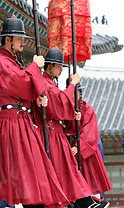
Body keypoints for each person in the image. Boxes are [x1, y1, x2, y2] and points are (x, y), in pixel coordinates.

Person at [0, 17, 70, 208]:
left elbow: (28, 86)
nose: (24, 41)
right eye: (19, 38)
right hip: (10, 123)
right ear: (8, 39)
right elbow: (18, 83)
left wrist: (36, 99)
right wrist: (35, 66)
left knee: (33, 173)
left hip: (22, 122)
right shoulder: (0, 61)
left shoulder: (14, 62)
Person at [33, 48, 109, 208]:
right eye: (59, 67)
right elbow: (60, 103)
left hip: (56, 134)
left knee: (68, 169)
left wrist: (73, 118)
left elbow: (62, 109)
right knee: (64, 170)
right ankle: (82, 202)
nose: (61, 70)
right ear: (50, 66)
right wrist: (73, 83)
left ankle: (84, 201)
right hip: (50, 134)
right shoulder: (44, 82)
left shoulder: (49, 83)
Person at [66, 82, 112, 206]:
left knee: (91, 179)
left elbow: (90, 132)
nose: (74, 95)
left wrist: (78, 146)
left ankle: (94, 203)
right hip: (70, 149)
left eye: (77, 93)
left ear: (80, 93)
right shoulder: (65, 107)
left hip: (86, 150)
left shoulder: (87, 108)